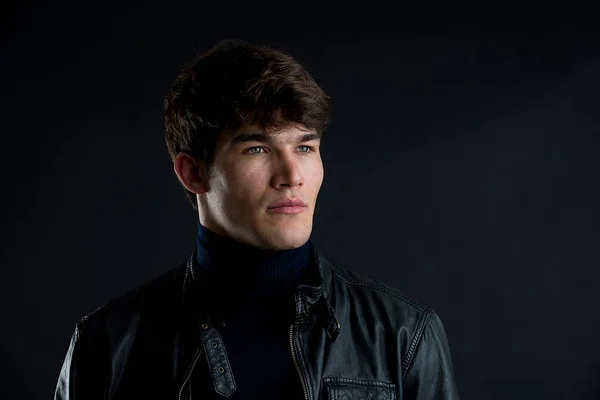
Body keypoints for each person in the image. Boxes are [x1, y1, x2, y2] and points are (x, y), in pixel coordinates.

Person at [54, 39, 460, 400]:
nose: (291, 177)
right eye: (258, 149)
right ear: (193, 172)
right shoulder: (108, 343)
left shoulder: (403, 334)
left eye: (304, 147)